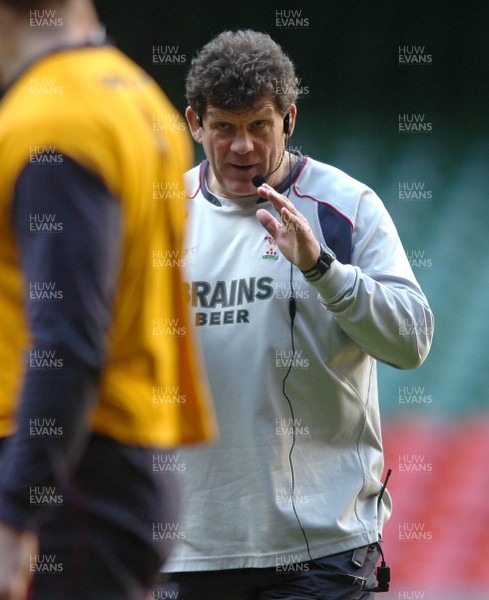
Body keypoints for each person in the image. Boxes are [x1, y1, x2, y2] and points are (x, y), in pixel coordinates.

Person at [155, 29, 434, 600]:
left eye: (259, 125)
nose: (241, 147)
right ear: (193, 124)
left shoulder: (345, 206)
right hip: (190, 549)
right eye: (224, 127)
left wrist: (323, 269)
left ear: (289, 120)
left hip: (320, 550)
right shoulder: (158, 214)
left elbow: (412, 340)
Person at [0, 1, 216, 599]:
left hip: (68, 490)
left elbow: (67, 340)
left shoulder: (52, 120)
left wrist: (17, 513)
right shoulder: (137, 97)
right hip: (110, 479)